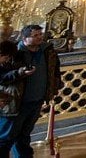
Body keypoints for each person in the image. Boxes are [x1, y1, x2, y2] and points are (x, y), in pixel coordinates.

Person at [11, 26, 61, 157]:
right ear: (24, 38)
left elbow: (55, 70)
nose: (40, 37)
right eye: (35, 35)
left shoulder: (47, 50)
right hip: (18, 101)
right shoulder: (15, 53)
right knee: (14, 134)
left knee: (26, 132)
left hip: (38, 99)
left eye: (40, 34)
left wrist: (54, 89)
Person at [0, 40, 35, 158]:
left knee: (18, 136)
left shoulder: (9, 63)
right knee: (4, 139)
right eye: (6, 57)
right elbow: (3, 78)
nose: (7, 60)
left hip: (13, 104)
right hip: (7, 107)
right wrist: (20, 72)